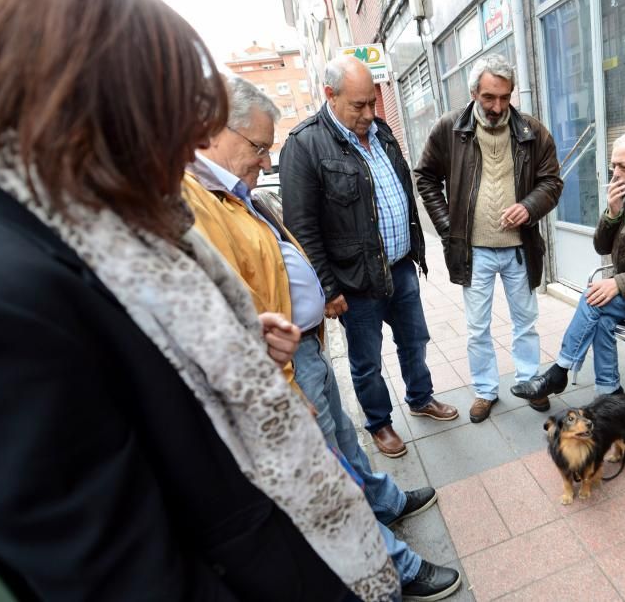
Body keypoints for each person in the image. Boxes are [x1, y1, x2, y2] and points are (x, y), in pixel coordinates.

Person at [0, 0, 399, 601]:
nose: (181, 145)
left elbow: (140, 372)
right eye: (162, 111)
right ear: (85, 100)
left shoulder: (97, 215)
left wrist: (238, 336)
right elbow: (120, 573)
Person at [182, 75, 461, 600]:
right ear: (215, 131)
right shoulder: (199, 199)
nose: (265, 161)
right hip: (287, 360)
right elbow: (241, 300)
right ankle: (392, 562)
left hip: (311, 337)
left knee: (343, 440)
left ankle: (385, 500)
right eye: (258, 147)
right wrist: (287, 376)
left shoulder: (231, 191)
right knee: (329, 460)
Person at [280, 56, 458, 459]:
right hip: (354, 283)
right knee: (366, 360)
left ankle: (421, 397)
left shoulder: (383, 132)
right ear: (330, 95)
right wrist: (327, 288)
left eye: (372, 103)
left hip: (400, 267)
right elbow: (301, 228)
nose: (368, 114)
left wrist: (414, 250)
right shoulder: (305, 144)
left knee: (415, 340)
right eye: (358, 105)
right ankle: (379, 423)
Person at [414, 54, 562, 423]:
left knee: (525, 321)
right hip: (474, 251)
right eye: (489, 98)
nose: (498, 107)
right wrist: (451, 229)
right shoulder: (449, 129)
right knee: (477, 328)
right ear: (474, 92)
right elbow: (426, 178)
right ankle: (485, 390)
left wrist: (529, 206)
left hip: (518, 250)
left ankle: (529, 381)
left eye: (505, 97)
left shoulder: (532, 131)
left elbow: (552, 182)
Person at [512, 132, 625, 401]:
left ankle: (559, 371)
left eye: (622, 166)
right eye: (613, 166)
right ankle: (610, 393)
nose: (615, 174)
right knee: (602, 318)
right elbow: (602, 247)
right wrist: (611, 213)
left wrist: (618, 283)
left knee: (593, 299)